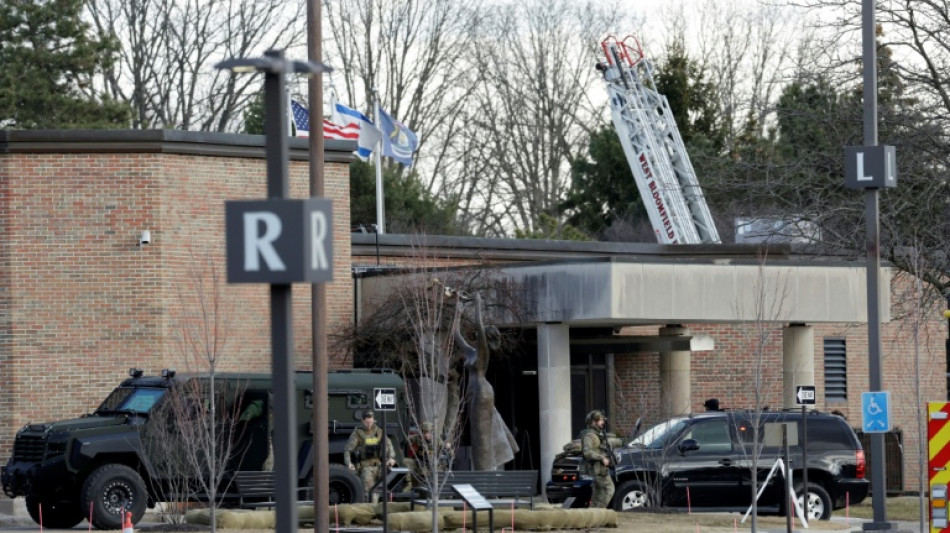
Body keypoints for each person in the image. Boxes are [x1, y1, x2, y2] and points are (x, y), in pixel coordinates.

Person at [343, 410, 397, 502]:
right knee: (369, 494)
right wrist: (349, 463)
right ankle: (371, 511)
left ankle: (379, 511)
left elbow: (389, 444)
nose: (369, 424)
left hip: (380, 466)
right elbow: (348, 449)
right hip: (366, 467)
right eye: (367, 422)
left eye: (371, 422)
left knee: (384, 491)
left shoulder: (379, 432)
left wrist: (391, 458)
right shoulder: (358, 433)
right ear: (363, 421)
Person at [580, 410, 615, 508]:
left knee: (597, 493)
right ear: (593, 422)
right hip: (596, 469)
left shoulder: (598, 435)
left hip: (601, 469)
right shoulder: (589, 436)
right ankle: (599, 513)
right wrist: (602, 458)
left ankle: (593, 515)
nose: (602, 422)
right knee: (609, 489)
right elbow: (587, 452)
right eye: (600, 420)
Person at [406, 421, 453, 487]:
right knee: (407, 462)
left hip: (433, 464)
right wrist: (413, 447)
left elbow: (446, 449)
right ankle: (410, 485)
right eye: (424, 432)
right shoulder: (418, 438)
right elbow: (407, 440)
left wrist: (448, 447)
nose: (426, 435)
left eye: (428, 432)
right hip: (420, 462)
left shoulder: (437, 440)